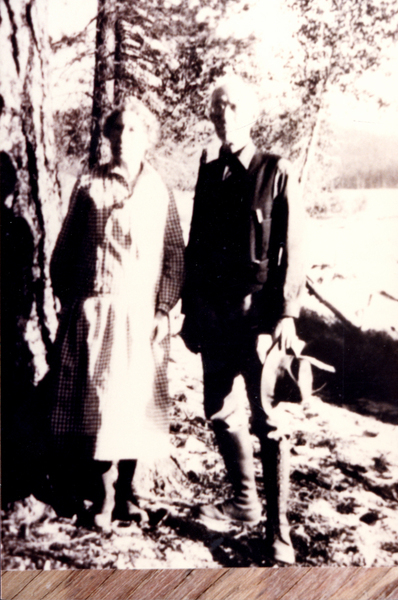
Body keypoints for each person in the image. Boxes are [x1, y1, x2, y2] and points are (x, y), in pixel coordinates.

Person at [181, 75, 305, 564]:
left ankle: (278, 533)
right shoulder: (209, 173)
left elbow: (294, 251)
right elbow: (194, 246)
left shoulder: (275, 170)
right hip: (214, 320)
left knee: (269, 421)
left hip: (259, 322)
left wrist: (288, 314)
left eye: (232, 107)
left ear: (249, 113)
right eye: (216, 108)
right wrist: (190, 307)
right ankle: (244, 500)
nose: (223, 115)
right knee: (217, 408)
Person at [49, 97, 185, 529]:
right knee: (98, 405)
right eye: (117, 130)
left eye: (133, 130)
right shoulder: (89, 184)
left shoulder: (158, 191)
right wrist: (72, 300)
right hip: (95, 313)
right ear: (106, 136)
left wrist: (163, 309)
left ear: (147, 137)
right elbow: (65, 250)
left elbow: (175, 254)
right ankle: (104, 497)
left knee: (134, 405)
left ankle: (129, 496)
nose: (124, 138)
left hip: (140, 317)